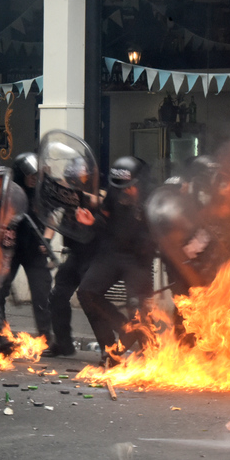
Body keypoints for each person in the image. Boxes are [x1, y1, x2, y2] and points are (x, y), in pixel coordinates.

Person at [76, 156, 156, 366]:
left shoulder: (152, 198)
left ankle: (152, 356)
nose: (125, 191)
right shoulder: (115, 191)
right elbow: (104, 218)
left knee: (138, 306)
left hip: (138, 259)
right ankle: (110, 348)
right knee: (87, 292)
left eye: (130, 187)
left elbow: (162, 232)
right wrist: (92, 221)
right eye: (121, 187)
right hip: (111, 252)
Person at [0, 152, 53, 345]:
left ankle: (46, 338)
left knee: (42, 293)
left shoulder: (41, 192)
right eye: (30, 175)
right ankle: (1, 334)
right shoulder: (6, 192)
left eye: (36, 175)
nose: (34, 178)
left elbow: (51, 219)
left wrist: (47, 240)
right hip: (10, 249)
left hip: (34, 249)